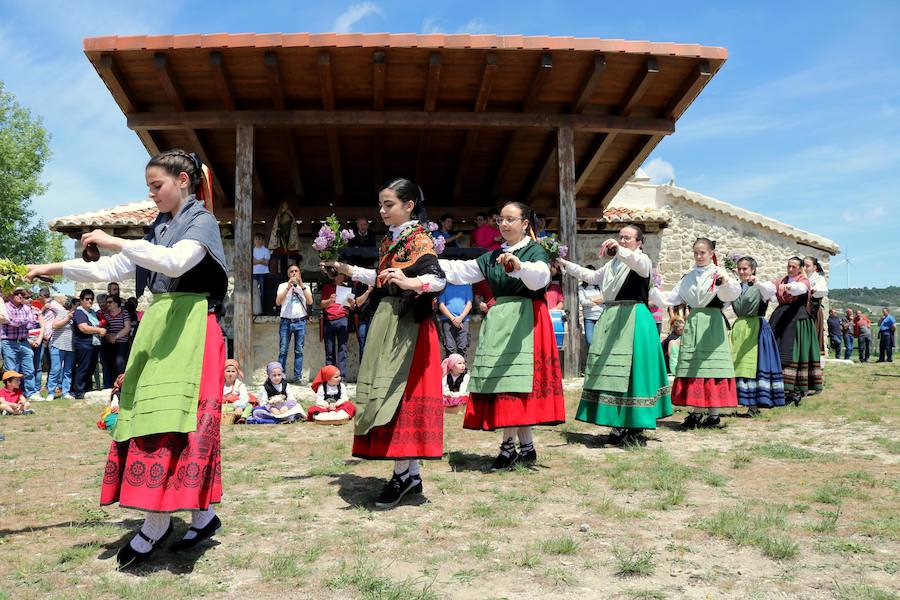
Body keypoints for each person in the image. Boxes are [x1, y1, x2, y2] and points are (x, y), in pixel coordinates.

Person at [27, 148, 229, 567]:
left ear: (184, 181)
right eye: (149, 187)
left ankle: (158, 523)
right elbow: (110, 269)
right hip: (163, 327)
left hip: (193, 328)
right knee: (153, 420)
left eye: (158, 186)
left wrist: (115, 239)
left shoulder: (201, 222)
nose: (152, 195)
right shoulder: (159, 227)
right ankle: (200, 515)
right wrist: (51, 268)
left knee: (182, 423)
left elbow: (175, 263)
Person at [324, 177, 445, 509]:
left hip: (408, 329)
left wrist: (410, 281)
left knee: (400, 396)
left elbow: (437, 279)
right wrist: (349, 269)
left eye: (388, 204)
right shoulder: (393, 241)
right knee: (396, 393)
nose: (382, 211)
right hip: (391, 323)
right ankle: (413, 473)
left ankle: (402, 475)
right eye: (380, 205)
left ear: (409, 206)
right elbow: (382, 277)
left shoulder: (419, 240)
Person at [440, 201, 565, 468]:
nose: (504, 224)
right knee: (504, 383)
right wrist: (427, 262)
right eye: (501, 220)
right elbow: (459, 271)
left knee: (513, 384)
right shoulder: (491, 255)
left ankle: (509, 448)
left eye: (510, 219)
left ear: (524, 224)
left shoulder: (534, 250)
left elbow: (541, 277)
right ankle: (527, 446)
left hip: (526, 322)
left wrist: (519, 265)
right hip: (500, 322)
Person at [560, 224, 670, 445]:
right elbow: (591, 276)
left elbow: (635, 261)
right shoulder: (613, 264)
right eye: (620, 237)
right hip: (613, 317)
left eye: (628, 238)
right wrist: (564, 264)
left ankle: (635, 423)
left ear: (639, 242)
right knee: (612, 371)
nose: (622, 240)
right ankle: (618, 422)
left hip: (634, 318)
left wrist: (619, 250)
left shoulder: (643, 261)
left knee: (633, 371)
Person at [651, 238, 740, 429]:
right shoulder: (688, 277)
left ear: (710, 253)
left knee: (712, 368)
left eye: (703, 253)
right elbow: (672, 297)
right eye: (696, 253)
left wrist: (724, 283)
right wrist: (652, 292)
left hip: (713, 324)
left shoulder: (719, 273)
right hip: (694, 323)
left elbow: (732, 294)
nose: (699, 256)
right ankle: (697, 412)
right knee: (696, 368)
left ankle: (714, 415)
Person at [729, 256, 785, 416]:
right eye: (739, 269)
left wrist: (757, 281)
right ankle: (742, 400)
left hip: (757, 328)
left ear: (752, 269)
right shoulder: (736, 287)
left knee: (755, 365)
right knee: (739, 364)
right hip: (739, 328)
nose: (741, 272)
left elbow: (771, 292)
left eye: (745, 269)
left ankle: (754, 405)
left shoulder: (761, 287)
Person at [768, 257, 823, 405]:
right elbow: (769, 289)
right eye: (789, 266)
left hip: (798, 320)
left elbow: (801, 288)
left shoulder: (803, 281)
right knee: (779, 350)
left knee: (795, 351)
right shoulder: (781, 280)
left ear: (800, 269)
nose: (790, 269)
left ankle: (797, 389)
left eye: (794, 267)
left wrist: (788, 287)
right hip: (781, 319)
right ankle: (781, 389)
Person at [275, 264, 313, 383]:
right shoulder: (282, 286)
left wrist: (301, 285)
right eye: (292, 271)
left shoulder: (305, 287)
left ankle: (298, 377)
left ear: (300, 273)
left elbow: (310, 301)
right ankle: (280, 377)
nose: (294, 273)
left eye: (296, 271)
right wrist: (288, 287)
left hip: (300, 321)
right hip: (286, 321)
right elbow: (278, 302)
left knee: (299, 351)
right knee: (283, 350)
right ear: (288, 274)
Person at [2, 288, 38, 399]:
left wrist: (15, 322)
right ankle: (12, 395)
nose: (20, 296)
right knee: (11, 370)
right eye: (16, 293)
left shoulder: (27, 308)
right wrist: (22, 321)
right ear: (10, 295)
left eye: (22, 294)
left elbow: (32, 324)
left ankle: (31, 393)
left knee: (29, 369)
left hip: (24, 342)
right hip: (9, 341)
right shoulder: (4, 307)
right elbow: (8, 321)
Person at [71, 289, 105, 399]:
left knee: (90, 368)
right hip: (83, 344)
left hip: (94, 344)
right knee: (83, 368)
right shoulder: (79, 312)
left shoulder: (92, 313)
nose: (89, 301)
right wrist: (99, 330)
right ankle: (79, 391)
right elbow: (83, 328)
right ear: (81, 300)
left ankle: (87, 388)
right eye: (87, 299)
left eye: (91, 299)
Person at [320, 273, 351, 376]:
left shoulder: (346, 288)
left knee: (343, 349)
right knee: (329, 349)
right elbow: (322, 304)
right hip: (329, 319)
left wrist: (351, 303)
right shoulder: (327, 287)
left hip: (342, 319)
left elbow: (351, 307)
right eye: (338, 275)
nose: (340, 277)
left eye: (342, 275)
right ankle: (330, 375)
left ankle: (341, 376)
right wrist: (330, 300)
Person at [47, 295, 76, 400]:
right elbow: (54, 325)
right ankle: (51, 392)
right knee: (56, 369)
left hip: (71, 346)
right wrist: (67, 318)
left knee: (68, 371)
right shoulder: (62, 312)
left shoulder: (78, 315)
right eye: (76, 303)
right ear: (72, 305)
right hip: (58, 344)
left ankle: (66, 392)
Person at [99, 295, 131, 389]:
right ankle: (112, 385)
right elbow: (102, 327)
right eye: (107, 302)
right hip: (109, 342)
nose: (107, 304)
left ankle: (122, 384)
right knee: (110, 363)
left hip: (122, 342)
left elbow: (127, 328)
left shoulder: (124, 313)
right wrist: (109, 337)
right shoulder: (105, 314)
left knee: (119, 362)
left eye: (110, 302)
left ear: (116, 303)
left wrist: (115, 337)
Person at [803, 256, 828, 365]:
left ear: (814, 267)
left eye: (807, 266)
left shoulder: (818, 279)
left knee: (813, 337)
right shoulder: (799, 278)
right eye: (803, 265)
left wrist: (815, 290)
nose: (804, 267)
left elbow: (823, 291)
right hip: (800, 312)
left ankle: (814, 364)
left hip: (813, 311)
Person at [437, 282, 473, 358]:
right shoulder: (444, 286)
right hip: (447, 320)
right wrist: (452, 318)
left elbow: (469, 304)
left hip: (463, 320)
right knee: (449, 347)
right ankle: (449, 368)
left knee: (462, 346)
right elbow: (441, 305)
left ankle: (463, 369)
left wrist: (460, 318)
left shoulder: (467, 286)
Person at [578, 266, 604, 346]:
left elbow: (604, 298)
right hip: (589, 318)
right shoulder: (581, 288)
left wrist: (590, 299)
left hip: (601, 316)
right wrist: (597, 300)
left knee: (601, 342)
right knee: (590, 341)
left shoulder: (600, 286)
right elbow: (583, 302)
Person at [349, 280, 373, 360]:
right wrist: (368, 291)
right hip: (363, 319)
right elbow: (358, 303)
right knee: (363, 346)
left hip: (375, 319)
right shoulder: (360, 285)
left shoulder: (378, 285)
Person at [222, 358, 252, 424]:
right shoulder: (220, 384)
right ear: (223, 372)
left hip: (235, 406)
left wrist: (239, 406)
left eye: (233, 371)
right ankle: (230, 416)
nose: (230, 374)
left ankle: (242, 418)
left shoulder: (240, 385)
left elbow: (244, 398)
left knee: (249, 405)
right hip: (224, 407)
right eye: (228, 371)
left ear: (237, 373)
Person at [252, 233, 271, 315]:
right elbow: (252, 262)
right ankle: (254, 310)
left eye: (259, 239)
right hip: (254, 273)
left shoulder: (266, 250)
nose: (258, 241)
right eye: (256, 239)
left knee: (262, 292)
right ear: (254, 240)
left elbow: (266, 263)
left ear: (262, 240)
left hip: (263, 273)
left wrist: (257, 261)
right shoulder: (252, 250)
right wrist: (261, 260)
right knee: (254, 292)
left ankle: (262, 310)